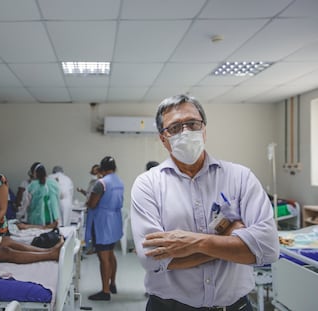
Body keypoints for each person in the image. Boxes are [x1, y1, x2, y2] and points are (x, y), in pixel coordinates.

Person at [130, 94, 280, 311]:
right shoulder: (148, 184)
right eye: (174, 128)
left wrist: (191, 243)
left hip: (235, 306)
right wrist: (231, 242)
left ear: (204, 130)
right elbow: (153, 260)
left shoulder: (240, 177)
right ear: (163, 139)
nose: (186, 132)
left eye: (192, 124)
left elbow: (267, 249)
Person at [86, 156, 124, 301]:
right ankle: (112, 283)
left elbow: (92, 203)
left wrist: (88, 202)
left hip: (102, 222)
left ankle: (105, 291)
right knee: (111, 254)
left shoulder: (101, 183)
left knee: (103, 257)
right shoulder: (119, 181)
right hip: (115, 221)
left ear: (102, 168)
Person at [77, 164, 101, 255]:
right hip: (90, 207)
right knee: (90, 229)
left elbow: (96, 197)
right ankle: (88, 247)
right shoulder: (92, 182)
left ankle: (92, 248)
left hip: (95, 208)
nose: (92, 173)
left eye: (94, 172)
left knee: (93, 229)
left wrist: (90, 203)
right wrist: (81, 190)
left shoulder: (100, 183)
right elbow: (88, 194)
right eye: (92, 172)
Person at [26, 163, 61, 229]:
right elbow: (58, 197)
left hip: (37, 219)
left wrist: (19, 215)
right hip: (53, 218)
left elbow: (26, 203)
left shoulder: (33, 185)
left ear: (34, 173)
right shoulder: (53, 183)